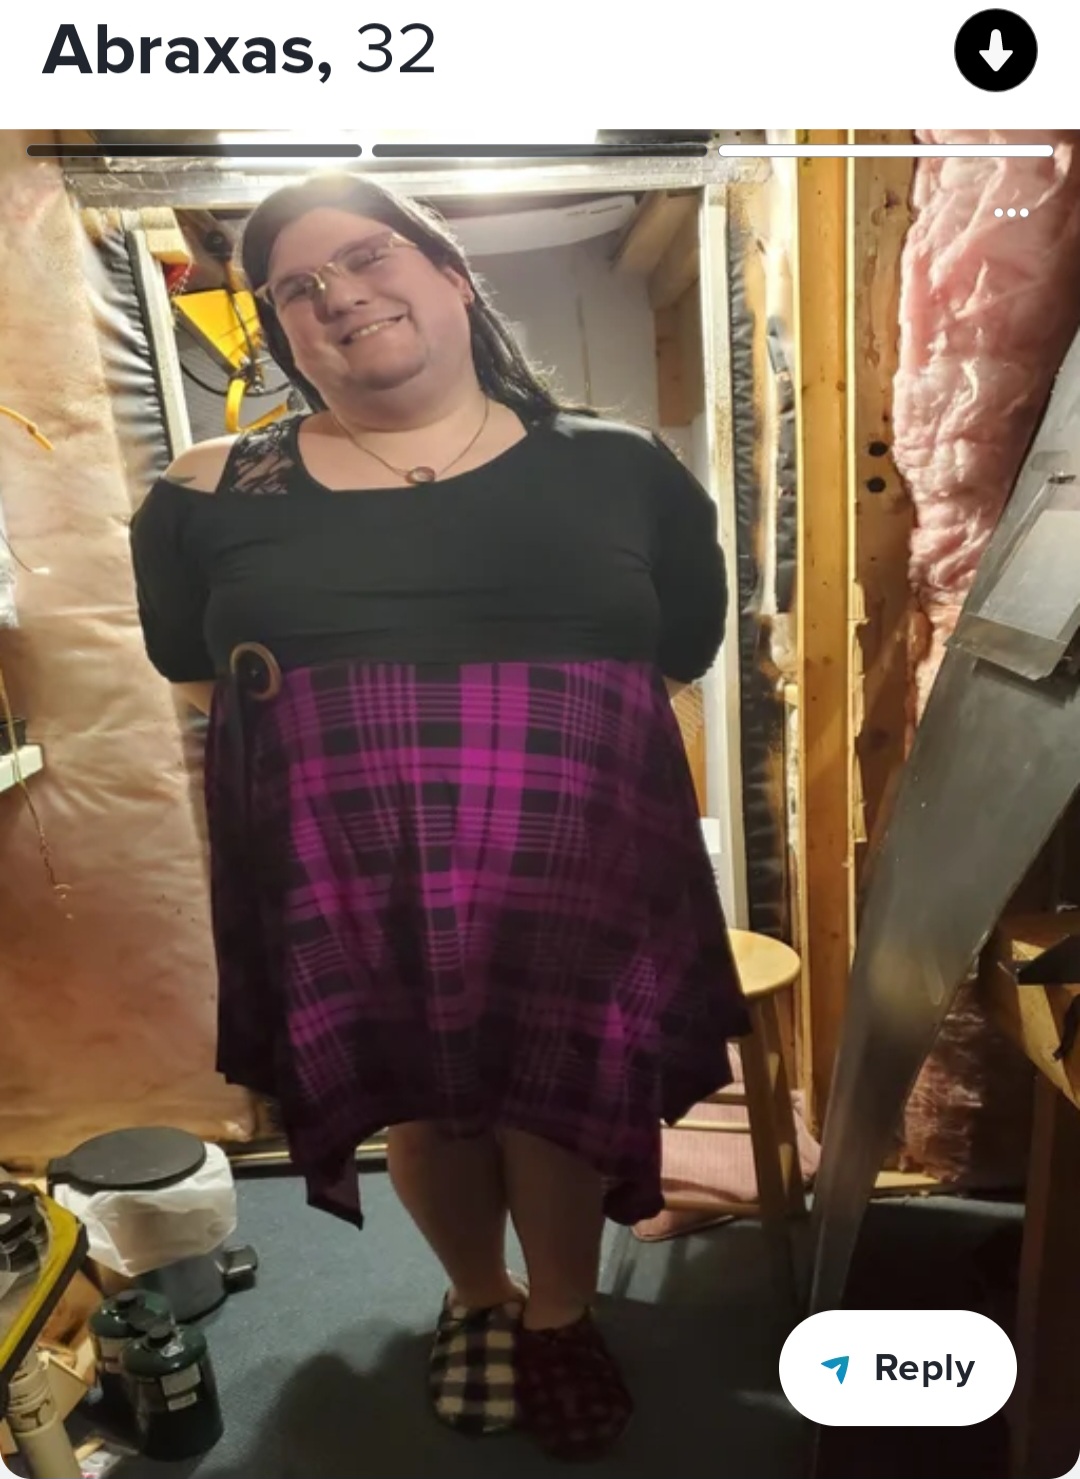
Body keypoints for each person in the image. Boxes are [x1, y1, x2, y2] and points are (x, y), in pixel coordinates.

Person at [129, 170, 750, 1462]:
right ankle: (478, 1296)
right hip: (353, 875)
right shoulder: (207, 489)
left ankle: (562, 1314)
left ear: (453, 277)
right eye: (296, 288)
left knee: (557, 1092)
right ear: (280, 331)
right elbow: (192, 667)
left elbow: (682, 644)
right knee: (422, 1096)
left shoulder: (619, 466)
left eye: (368, 256)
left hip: (575, 865)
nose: (338, 294)